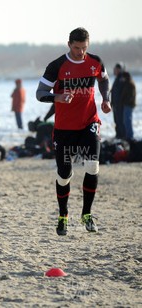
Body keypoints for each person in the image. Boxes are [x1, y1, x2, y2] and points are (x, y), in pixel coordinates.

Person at [36, 27, 111, 236]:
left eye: (84, 48)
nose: (80, 52)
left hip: (89, 123)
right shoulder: (57, 66)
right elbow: (39, 93)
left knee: (92, 165)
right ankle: (63, 215)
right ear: (69, 44)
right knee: (64, 175)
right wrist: (57, 97)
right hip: (64, 129)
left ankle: (87, 214)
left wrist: (106, 99)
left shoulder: (95, 61)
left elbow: (103, 79)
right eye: (77, 48)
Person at [110, 63, 126, 139]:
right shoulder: (117, 78)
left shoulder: (122, 79)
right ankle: (118, 135)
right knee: (117, 121)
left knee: (120, 121)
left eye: (115, 69)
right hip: (116, 104)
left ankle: (122, 136)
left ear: (119, 70)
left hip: (120, 105)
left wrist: (121, 102)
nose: (114, 71)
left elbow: (122, 93)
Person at [120, 72, 136, 141]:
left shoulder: (130, 84)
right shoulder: (127, 83)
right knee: (126, 121)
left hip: (128, 105)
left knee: (127, 121)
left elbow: (130, 96)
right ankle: (128, 136)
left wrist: (124, 101)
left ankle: (130, 136)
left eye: (123, 77)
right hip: (127, 104)